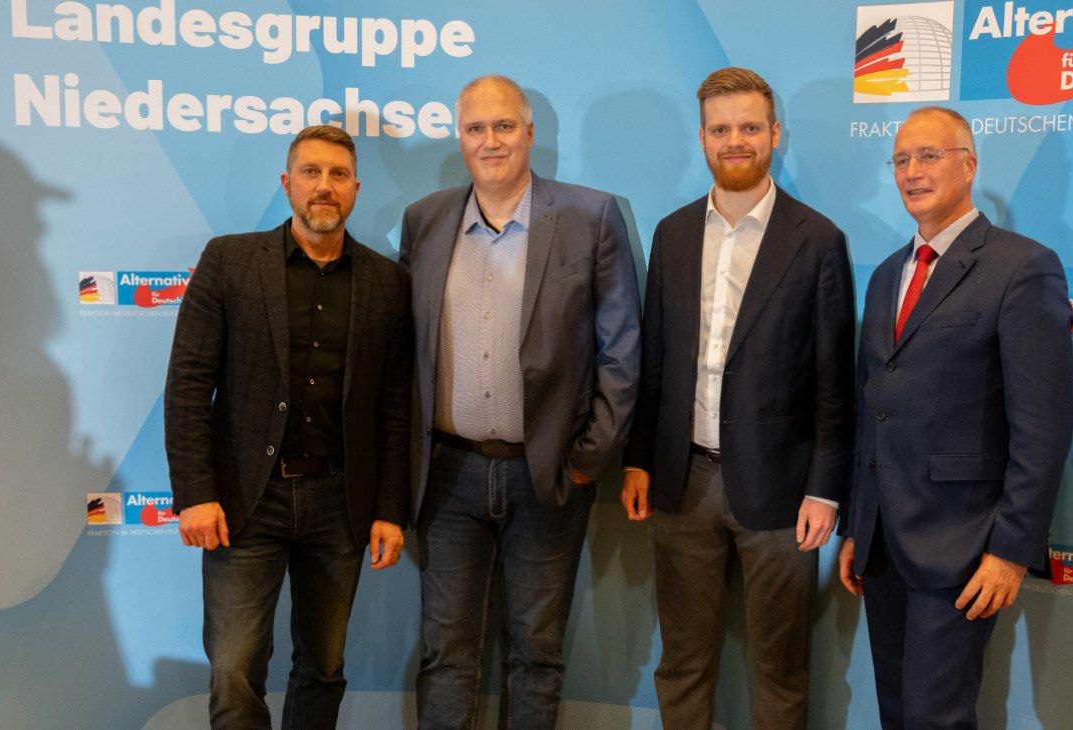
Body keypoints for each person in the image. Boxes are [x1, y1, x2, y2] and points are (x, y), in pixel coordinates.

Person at [398, 75, 641, 729]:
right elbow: (405, 353)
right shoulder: (424, 220)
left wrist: (586, 461)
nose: (491, 140)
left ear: (529, 133)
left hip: (548, 477)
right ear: (460, 138)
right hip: (447, 478)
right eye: (476, 128)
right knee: (446, 655)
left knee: (536, 655)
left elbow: (622, 351)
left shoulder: (591, 216)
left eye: (504, 126)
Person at [621, 67, 856, 729]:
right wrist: (638, 459)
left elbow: (835, 381)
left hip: (782, 492)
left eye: (749, 127)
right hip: (681, 480)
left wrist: (824, 489)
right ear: (702, 139)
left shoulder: (817, 241)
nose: (735, 141)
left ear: (775, 134)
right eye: (720, 129)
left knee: (778, 671)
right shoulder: (671, 234)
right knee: (682, 662)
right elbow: (654, 359)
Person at [165, 124, 412, 729]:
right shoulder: (229, 261)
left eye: (337, 174)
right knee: (234, 671)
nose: (324, 186)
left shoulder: (388, 283)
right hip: (246, 501)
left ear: (355, 188)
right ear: (287, 182)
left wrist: (389, 508)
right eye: (311, 172)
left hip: (340, 503)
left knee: (323, 668)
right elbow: (190, 384)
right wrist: (196, 493)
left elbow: (395, 407)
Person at [837, 106, 1073, 729]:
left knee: (936, 717)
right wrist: (859, 526)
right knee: (896, 712)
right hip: (883, 545)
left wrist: (1011, 551)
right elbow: (872, 408)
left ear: (969, 165)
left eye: (928, 155)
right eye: (900, 160)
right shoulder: (886, 275)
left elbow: (1044, 427)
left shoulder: (1022, 267)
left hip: (963, 546)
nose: (912, 171)